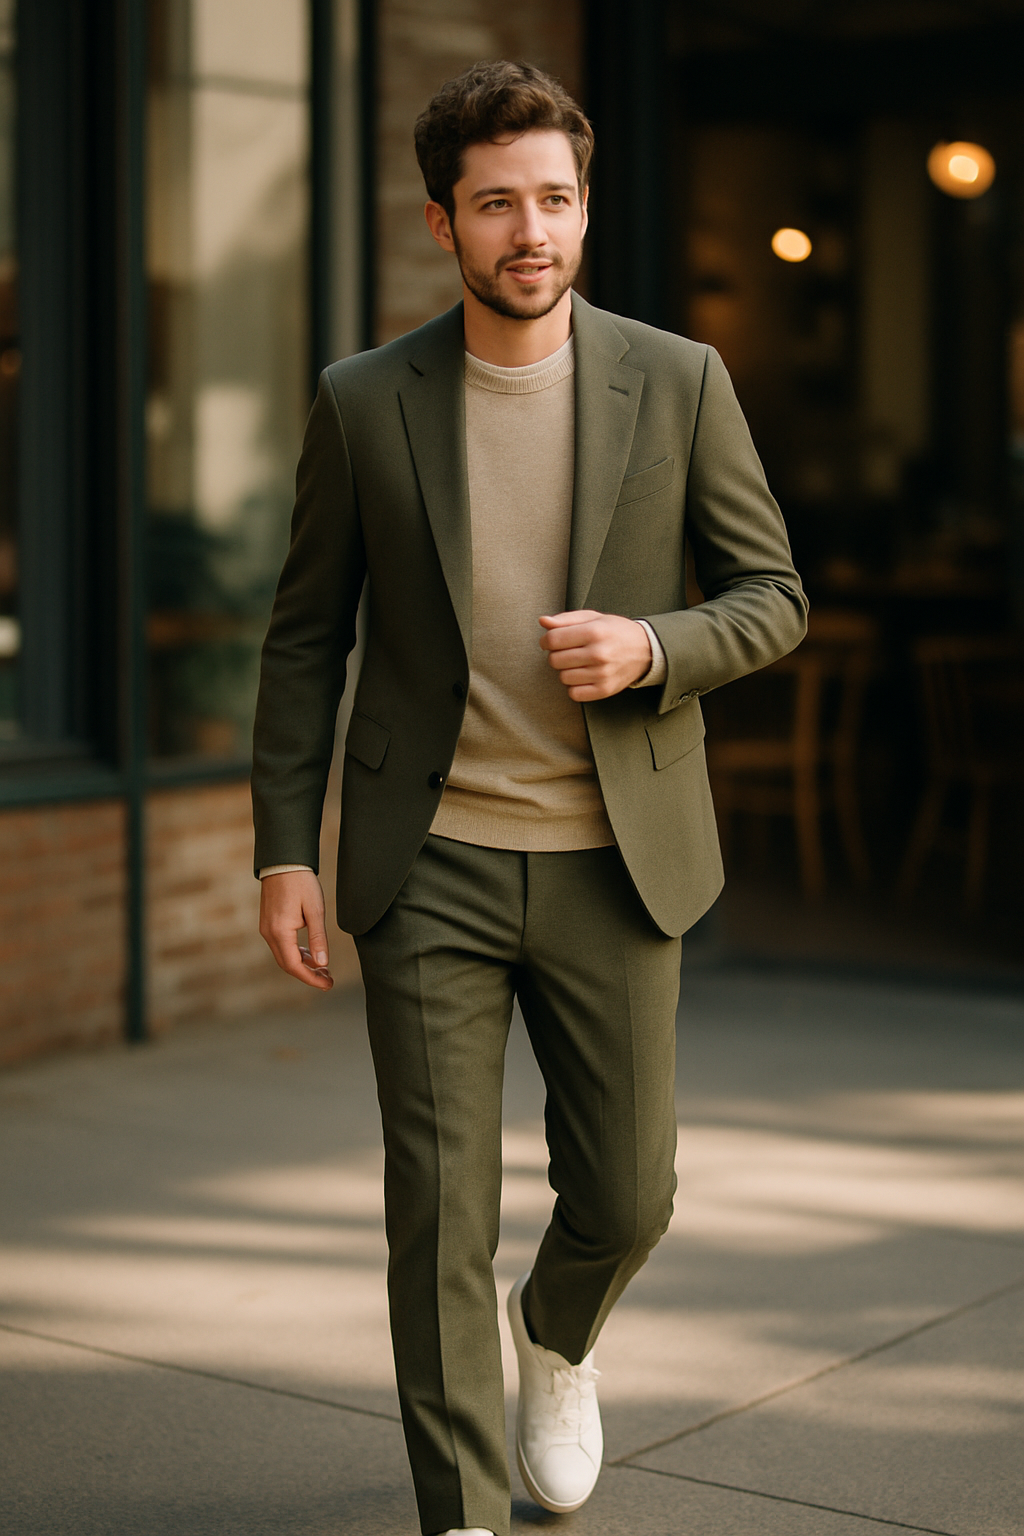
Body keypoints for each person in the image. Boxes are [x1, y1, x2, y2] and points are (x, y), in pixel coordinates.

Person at [252, 59, 806, 1536]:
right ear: (445, 220)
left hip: (614, 859)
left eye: (554, 199)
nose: (532, 231)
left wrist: (653, 648)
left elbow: (773, 596)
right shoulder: (364, 402)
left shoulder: (679, 380)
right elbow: (305, 639)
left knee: (628, 1195)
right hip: (424, 856)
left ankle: (556, 1335)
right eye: (497, 204)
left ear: (583, 207)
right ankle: (460, 1514)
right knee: (437, 1211)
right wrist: (281, 850)